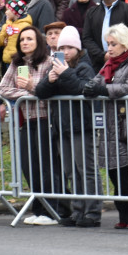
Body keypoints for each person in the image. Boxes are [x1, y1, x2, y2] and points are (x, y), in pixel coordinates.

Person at [82, 23, 128, 230]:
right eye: (108, 44)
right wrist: (90, 87)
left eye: (113, 44)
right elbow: (96, 81)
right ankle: (125, 214)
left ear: (125, 44)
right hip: (111, 124)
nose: (109, 48)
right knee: (116, 173)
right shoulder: (110, 63)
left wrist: (101, 89)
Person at [34, 25, 100, 227]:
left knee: (86, 169)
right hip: (62, 126)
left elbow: (83, 89)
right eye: (61, 48)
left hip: (82, 125)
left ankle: (93, 212)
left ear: (77, 49)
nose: (65, 52)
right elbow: (40, 92)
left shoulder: (84, 67)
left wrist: (63, 74)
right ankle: (77, 210)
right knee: (71, 171)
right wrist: (51, 80)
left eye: (69, 48)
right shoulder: (57, 67)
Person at [0, 25, 65, 225]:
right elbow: (3, 88)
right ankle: (38, 208)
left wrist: (32, 88)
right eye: (22, 40)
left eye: (29, 39)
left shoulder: (47, 62)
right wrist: (27, 94)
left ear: (38, 42)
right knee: (30, 166)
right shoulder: (19, 63)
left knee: (47, 166)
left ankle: (53, 209)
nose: (25, 43)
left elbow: (49, 90)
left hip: (46, 120)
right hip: (28, 120)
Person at [83, 0, 128, 71]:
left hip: (124, 63)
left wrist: (118, 53)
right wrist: (103, 55)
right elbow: (87, 38)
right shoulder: (91, 12)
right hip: (98, 64)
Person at [0, 0, 34, 65]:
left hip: (21, 61)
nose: (6, 12)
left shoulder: (26, 26)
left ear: (15, 12)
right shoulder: (7, 24)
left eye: (8, 10)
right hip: (8, 60)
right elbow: (0, 41)